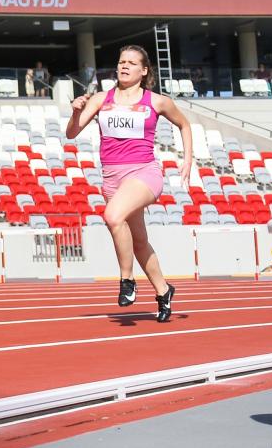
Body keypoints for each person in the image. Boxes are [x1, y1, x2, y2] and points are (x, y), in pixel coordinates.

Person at [65, 44, 195, 323]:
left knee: (112, 216)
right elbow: (72, 133)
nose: (124, 66)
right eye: (121, 61)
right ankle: (163, 291)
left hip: (144, 172)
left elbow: (184, 125)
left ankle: (127, 280)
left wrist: (187, 160)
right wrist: (76, 112)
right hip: (112, 177)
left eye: (132, 63)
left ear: (144, 70)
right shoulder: (101, 99)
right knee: (139, 242)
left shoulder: (157, 101)